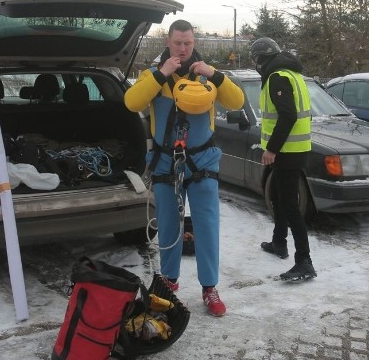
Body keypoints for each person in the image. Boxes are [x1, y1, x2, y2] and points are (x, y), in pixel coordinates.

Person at [124, 19, 244, 316]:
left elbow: (236, 100)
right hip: (166, 161)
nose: (182, 48)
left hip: (202, 160)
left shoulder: (206, 75)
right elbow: (131, 101)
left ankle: (209, 287)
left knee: (206, 225)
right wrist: (159, 74)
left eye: (188, 43)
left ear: (194, 42)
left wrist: (214, 75)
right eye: (177, 42)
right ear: (168, 41)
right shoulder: (153, 75)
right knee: (168, 225)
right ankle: (169, 282)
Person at [249, 37, 316, 282]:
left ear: (263, 58)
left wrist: (272, 149)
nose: (256, 64)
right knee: (277, 195)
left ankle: (304, 261)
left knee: (289, 205)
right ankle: (279, 242)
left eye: (256, 59)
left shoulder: (278, 77)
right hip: (293, 149)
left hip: (287, 151)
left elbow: (287, 116)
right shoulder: (291, 74)